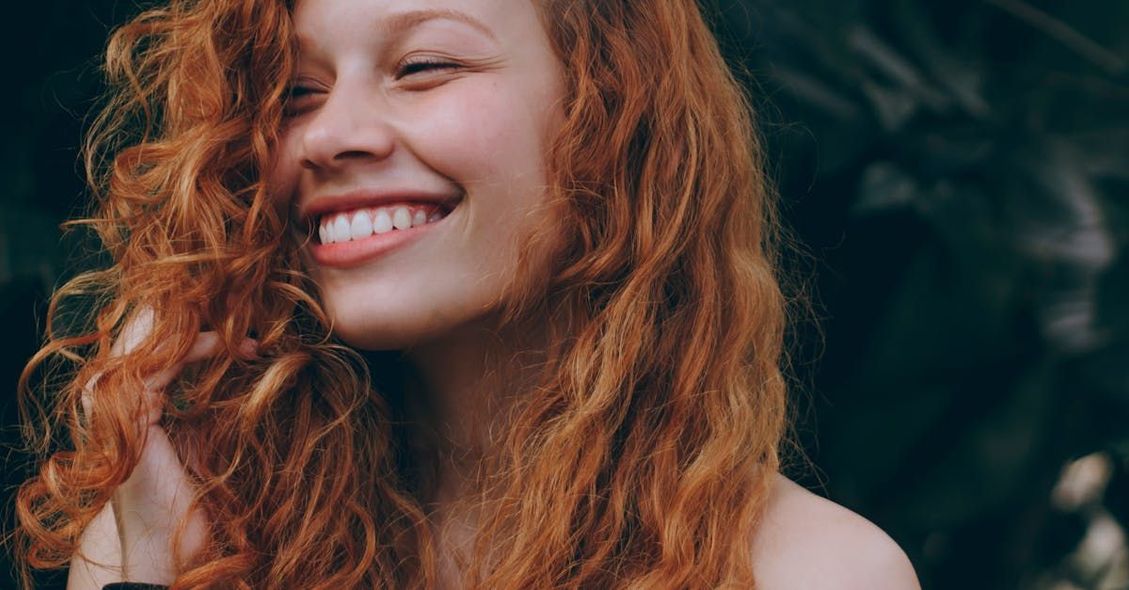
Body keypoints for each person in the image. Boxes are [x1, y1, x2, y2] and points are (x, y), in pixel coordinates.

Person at [13, 0, 921, 588]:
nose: (331, 135)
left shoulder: (812, 573)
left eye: (423, 67)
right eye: (295, 91)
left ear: (614, 120)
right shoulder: (168, 533)